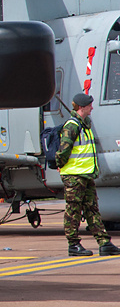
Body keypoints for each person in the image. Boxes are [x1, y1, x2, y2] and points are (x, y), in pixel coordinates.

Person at [55, 92, 120, 257]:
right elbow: (63, 151)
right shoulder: (72, 126)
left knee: (92, 210)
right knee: (73, 211)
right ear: (82, 107)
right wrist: (60, 165)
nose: (92, 107)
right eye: (90, 105)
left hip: (86, 175)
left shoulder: (84, 125)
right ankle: (73, 244)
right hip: (74, 176)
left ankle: (104, 243)